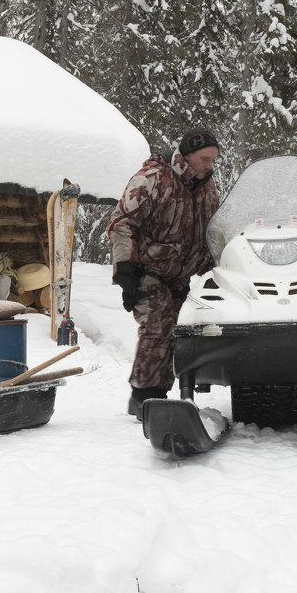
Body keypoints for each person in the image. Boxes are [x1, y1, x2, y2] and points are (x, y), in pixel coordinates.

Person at [107, 126, 221, 417]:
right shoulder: (153, 179)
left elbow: (215, 233)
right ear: (188, 154)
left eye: (213, 160)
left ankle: (175, 393)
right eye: (205, 159)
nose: (210, 165)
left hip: (182, 277)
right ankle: (145, 397)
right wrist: (124, 270)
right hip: (148, 271)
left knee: (187, 332)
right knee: (158, 325)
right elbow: (122, 224)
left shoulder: (208, 189)